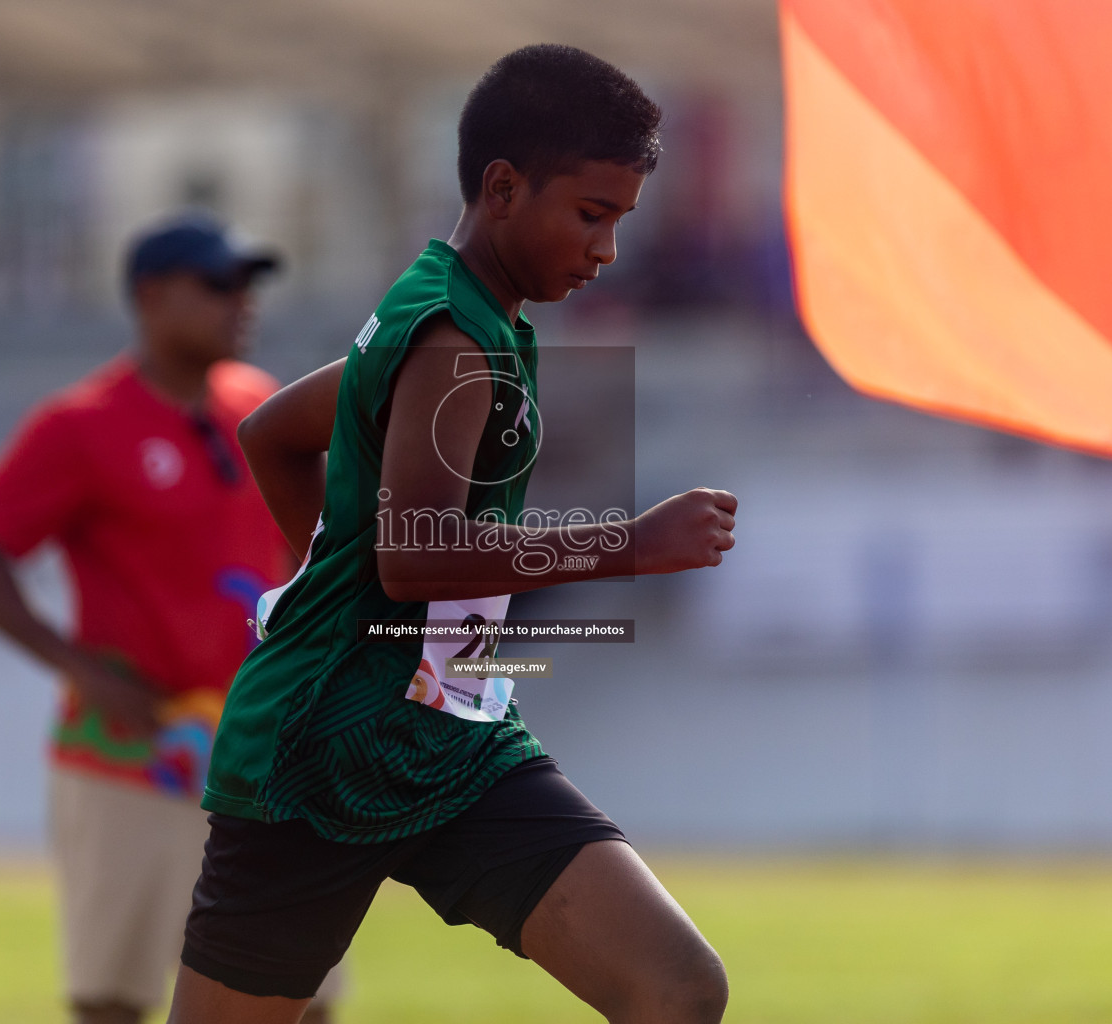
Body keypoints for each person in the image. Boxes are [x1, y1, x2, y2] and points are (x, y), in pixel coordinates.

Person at [169, 45, 737, 1024]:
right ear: (503, 187)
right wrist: (631, 544)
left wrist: (332, 589)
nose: (604, 251)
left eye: (619, 223)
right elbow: (413, 558)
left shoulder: (467, 314)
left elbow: (274, 435)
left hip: (450, 730)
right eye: (591, 215)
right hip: (320, 751)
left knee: (673, 986)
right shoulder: (450, 335)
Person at [0, 215, 345, 1024]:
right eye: (219, 284)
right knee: (113, 1002)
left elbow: (315, 555)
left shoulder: (262, 404)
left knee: (299, 996)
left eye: (248, 286)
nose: (243, 302)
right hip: (132, 755)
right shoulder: (80, 425)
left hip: (263, 751)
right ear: (151, 297)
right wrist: (77, 667)